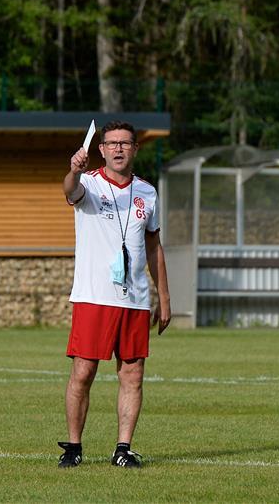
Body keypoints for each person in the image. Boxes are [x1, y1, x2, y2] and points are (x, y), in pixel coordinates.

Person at [57, 120, 171, 469]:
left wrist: (164, 298)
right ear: (102, 149)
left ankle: (123, 449)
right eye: (112, 143)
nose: (119, 148)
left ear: (135, 149)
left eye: (125, 143)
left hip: (135, 299)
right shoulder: (88, 183)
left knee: (133, 374)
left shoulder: (147, 193)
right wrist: (73, 171)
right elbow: (68, 191)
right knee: (83, 372)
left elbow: (153, 246)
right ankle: (74, 447)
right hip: (94, 297)